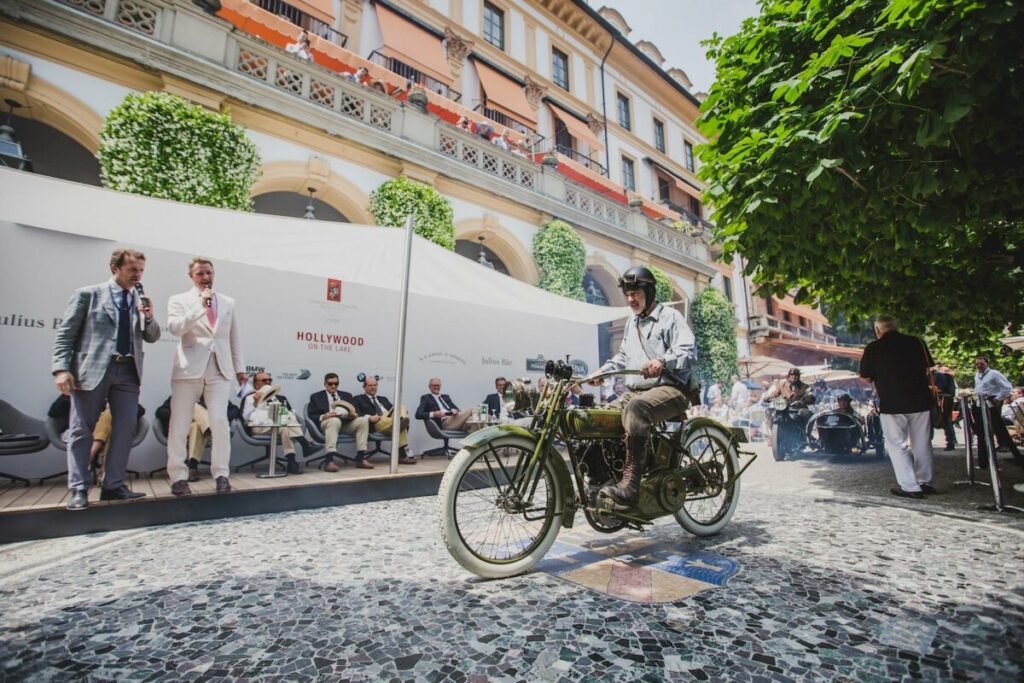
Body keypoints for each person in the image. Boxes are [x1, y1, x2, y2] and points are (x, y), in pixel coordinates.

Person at [51, 249, 159, 510]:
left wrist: (149, 315)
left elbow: (153, 336)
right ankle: (78, 488)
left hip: (128, 371)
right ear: (115, 268)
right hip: (94, 370)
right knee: (81, 429)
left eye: (141, 270)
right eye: (133, 269)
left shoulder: (139, 299)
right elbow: (65, 334)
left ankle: (113, 485)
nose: (138, 275)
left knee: (124, 428)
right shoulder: (88, 295)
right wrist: (61, 369)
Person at [589, 266, 695, 509]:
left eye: (635, 293)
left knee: (636, 409)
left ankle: (631, 485)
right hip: (637, 391)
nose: (630, 299)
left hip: (671, 389)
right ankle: (600, 481)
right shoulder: (631, 322)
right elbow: (622, 357)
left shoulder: (670, 317)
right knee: (596, 417)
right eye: (627, 294)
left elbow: (687, 351)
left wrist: (662, 361)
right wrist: (600, 373)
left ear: (649, 291)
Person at [165, 257, 246, 496]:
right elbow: (175, 328)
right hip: (188, 368)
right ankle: (178, 477)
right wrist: (200, 307)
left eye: (208, 272)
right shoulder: (179, 300)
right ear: (191, 275)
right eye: (200, 273)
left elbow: (234, 337)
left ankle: (221, 474)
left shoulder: (227, 302)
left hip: (219, 368)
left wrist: (240, 368)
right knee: (180, 424)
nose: (205, 277)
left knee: (219, 421)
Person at [858, 315, 936, 499]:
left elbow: (866, 377)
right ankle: (925, 482)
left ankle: (910, 486)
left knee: (896, 444)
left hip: (892, 402)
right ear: (895, 327)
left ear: (878, 330)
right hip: (920, 400)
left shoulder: (874, 347)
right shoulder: (917, 342)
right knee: (922, 443)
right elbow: (927, 368)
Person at [156, 395, 240, 482]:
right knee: (193, 407)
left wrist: (219, 418)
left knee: (196, 427)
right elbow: (160, 412)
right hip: (181, 429)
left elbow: (235, 410)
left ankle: (193, 466)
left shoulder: (212, 396)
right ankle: (212, 428)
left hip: (198, 429)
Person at [242, 372, 306, 474]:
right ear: (256, 384)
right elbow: (246, 418)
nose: (268, 382)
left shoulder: (280, 398)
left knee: (284, 425)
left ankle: (291, 461)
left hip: (279, 425)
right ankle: (305, 444)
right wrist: (256, 403)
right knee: (284, 424)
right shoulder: (250, 397)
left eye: (269, 380)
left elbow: (290, 415)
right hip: (259, 426)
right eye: (264, 380)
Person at [307, 373, 371, 471]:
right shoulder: (316, 396)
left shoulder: (347, 395)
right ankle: (329, 460)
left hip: (346, 423)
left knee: (363, 420)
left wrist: (353, 414)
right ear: (325, 384)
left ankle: (360, 458)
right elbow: (311, 415)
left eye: (336, 383)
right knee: (334, 421)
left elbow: (357, 411)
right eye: (330, 383)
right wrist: (324, 416)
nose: (333, 386)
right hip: (327, 423)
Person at [972, 356, 1023, 467]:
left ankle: (1010, 451)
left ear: (987, 364)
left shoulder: (994, 373)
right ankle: (983, 460)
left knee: (997, 427)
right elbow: (978, 388)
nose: (979, 366)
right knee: (981, 431)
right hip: (980, 402)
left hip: (991, 401)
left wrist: (998, 398)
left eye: (982, 364)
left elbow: (1007, 387)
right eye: (977, 364)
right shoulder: (977, 375)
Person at [352, 376, 416, 465]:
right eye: (370, 385)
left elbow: (393, 410)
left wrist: (401, 412)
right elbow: (356, 413)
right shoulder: (358, 399)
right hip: (377, 422)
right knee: (400, 424)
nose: (373, 387)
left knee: (400, 406)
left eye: (375, 385)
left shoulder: (383, 399)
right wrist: (369, 417)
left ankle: (400, 421)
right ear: (364, 387)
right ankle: (402, 454)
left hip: (390, 419)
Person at [930, 366, 958, 450]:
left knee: (933, 421)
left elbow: (939, 389)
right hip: (943, 401)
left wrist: (930, 388)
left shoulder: (938, 376)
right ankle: (951, 442)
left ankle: (950, 442)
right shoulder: (946, 376)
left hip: (940, 402)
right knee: (946, 421)